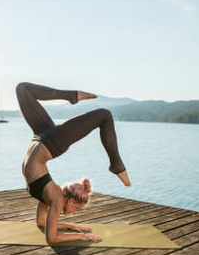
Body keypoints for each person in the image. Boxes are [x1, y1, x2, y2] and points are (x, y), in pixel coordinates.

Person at [16, 82, 131, 244]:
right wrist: (82, 236)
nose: (75, 212)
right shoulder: (56, 198)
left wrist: (71, 227)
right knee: (105, 115)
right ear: (70, 201)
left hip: (40, 136)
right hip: (52, 142)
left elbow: (42, 223)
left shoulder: (49, 197)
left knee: (22, 89)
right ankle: (116, 165)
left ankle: (72, 96)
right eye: (77, 209)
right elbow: (52, 238)